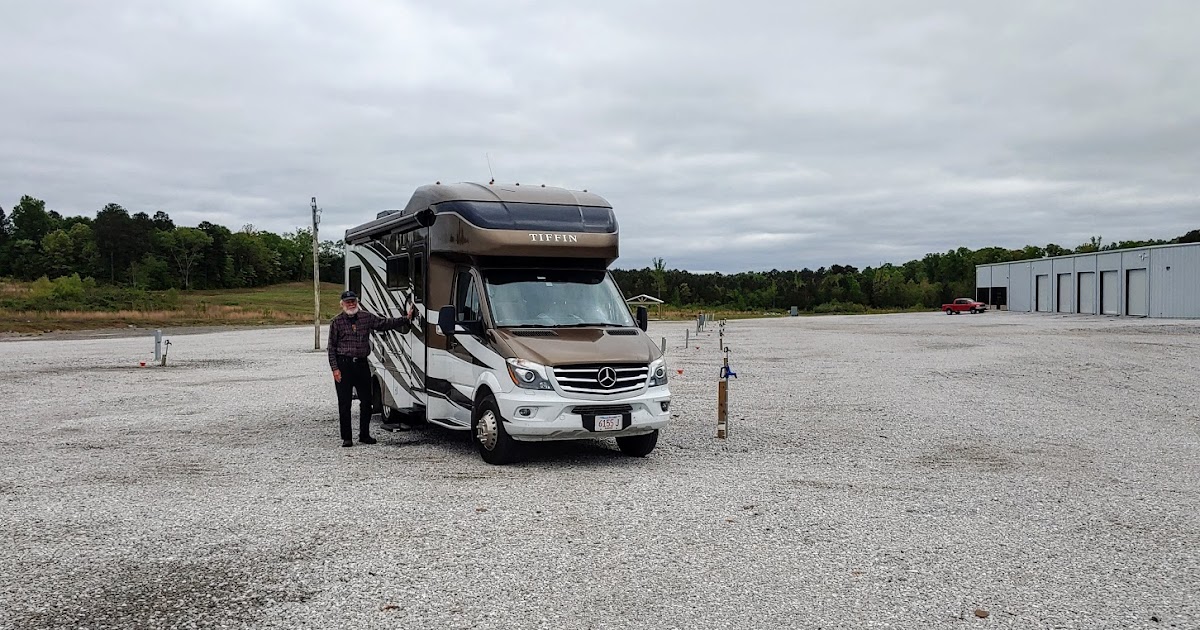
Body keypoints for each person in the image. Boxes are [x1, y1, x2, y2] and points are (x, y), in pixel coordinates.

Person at [327, 290, 414, 447]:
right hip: (344, 365)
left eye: (353, 301)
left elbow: (384, 323)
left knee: (367, 402)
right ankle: (347, 438)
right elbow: (331, 348)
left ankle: (364, 435)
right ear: (342, 304)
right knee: (344, 403)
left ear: (357, 302)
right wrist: (335, 369)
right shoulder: (336, 322)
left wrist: (405, 319)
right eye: (348, 302)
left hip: (362, 364)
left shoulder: (366, 317)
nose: (351, 304)